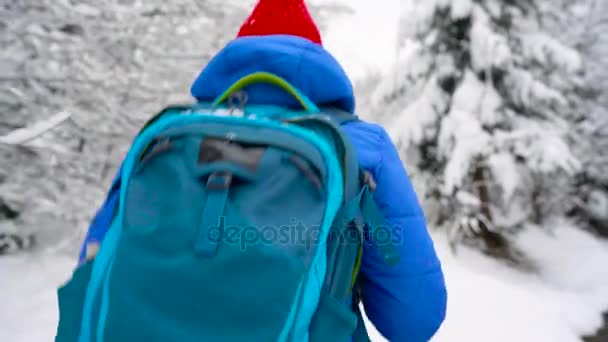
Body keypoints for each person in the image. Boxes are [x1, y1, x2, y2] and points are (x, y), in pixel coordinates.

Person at [78, 0, 447, 340]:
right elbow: (414, 320)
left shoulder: (171, 135)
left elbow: (93, 272)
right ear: (319, 61)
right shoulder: (362, 148)